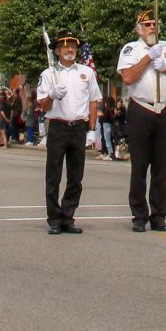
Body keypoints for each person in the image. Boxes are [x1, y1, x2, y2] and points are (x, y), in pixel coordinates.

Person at [116, 9, 166, 233]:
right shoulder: (131, 49)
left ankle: (159, 215)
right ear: (139, 29)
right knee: (139, 165)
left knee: (160, 166)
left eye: (154, 24)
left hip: (163, 109)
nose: (152, 28)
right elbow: (128, 77)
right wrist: (148, 58)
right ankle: (139, 214)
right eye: (147, 24)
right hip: (141, 108)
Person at [34, 32, 100, 235]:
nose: (70, 49)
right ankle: (54, 218)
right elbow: (43, 105)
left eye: (73, 45)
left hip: (78, 127)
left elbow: (94, 100)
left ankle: (68, 216)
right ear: (57, 50)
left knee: (75, 177)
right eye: (65, 46)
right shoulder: (48, 74)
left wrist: (91, 128)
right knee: (53, 176)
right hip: (59, 127)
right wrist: (52, 96)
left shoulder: (86, 73)